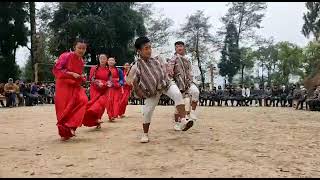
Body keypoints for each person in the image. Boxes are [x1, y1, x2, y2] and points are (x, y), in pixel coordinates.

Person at [126, 36, 193, 143]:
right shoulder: (136, 65)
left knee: (177, 94)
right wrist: (137, 87)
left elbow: (166, 67)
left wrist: (171, 73)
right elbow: (128, 80)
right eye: (146, 48)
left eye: (150, 47)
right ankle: (145, 134)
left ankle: (184, 120)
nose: (149, 50)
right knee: (148, 112)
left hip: (165, 83)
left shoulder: (157, 57)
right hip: (152, 90)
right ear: (139, 51)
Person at [52, 38, 88, 141]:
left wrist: (82, 78)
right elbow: (56, 70)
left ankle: (71, 125)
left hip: (75, 85)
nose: (81, 50)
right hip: (63, 85)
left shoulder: (81, 61)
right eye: (79, 48)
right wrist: (71, 74)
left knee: (83, 100)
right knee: (65, 107)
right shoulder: (65, 56)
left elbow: (79, 75)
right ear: (74, 47)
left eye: (83, 48)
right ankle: (65, 130)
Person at [167, 41, 200, 130]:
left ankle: (192, 112)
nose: (179, 48)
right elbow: (169, 71)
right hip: (178, 84)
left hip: (188, 83)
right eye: (177, 47)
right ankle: (177, 123)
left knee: (196, 92)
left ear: (184, 47)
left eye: (181, 46)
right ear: (175, 48)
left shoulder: (188, 59)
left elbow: (191, 71)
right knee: (179, 105)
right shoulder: (173, 59)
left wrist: (193, 79)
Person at [82, 53, 110, 129]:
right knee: (95, 103)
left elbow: (110, 80)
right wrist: (98, 83)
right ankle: (96, 120)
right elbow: (91, 79)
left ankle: (98, 119)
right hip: (95, 89)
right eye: (101, 58)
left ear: (106, 60)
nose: (102, 60)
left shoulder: (108, 70)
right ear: (99, 59)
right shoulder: (94, 68)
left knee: (102, 105)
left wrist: (108, 83)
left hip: (105, 89)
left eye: (104, 58)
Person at [106, 56, 124, 121]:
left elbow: (122, 79)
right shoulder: (105, 69)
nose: (111, 61)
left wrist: (120, 83)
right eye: (109, 60)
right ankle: (110, 116)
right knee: (108, 102)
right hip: (108, 88)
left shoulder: (119, 70)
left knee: (116, 101)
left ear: (115, 62)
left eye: (112, 60)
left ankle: (114, 115)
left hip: (117, 88)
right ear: (107, 62)